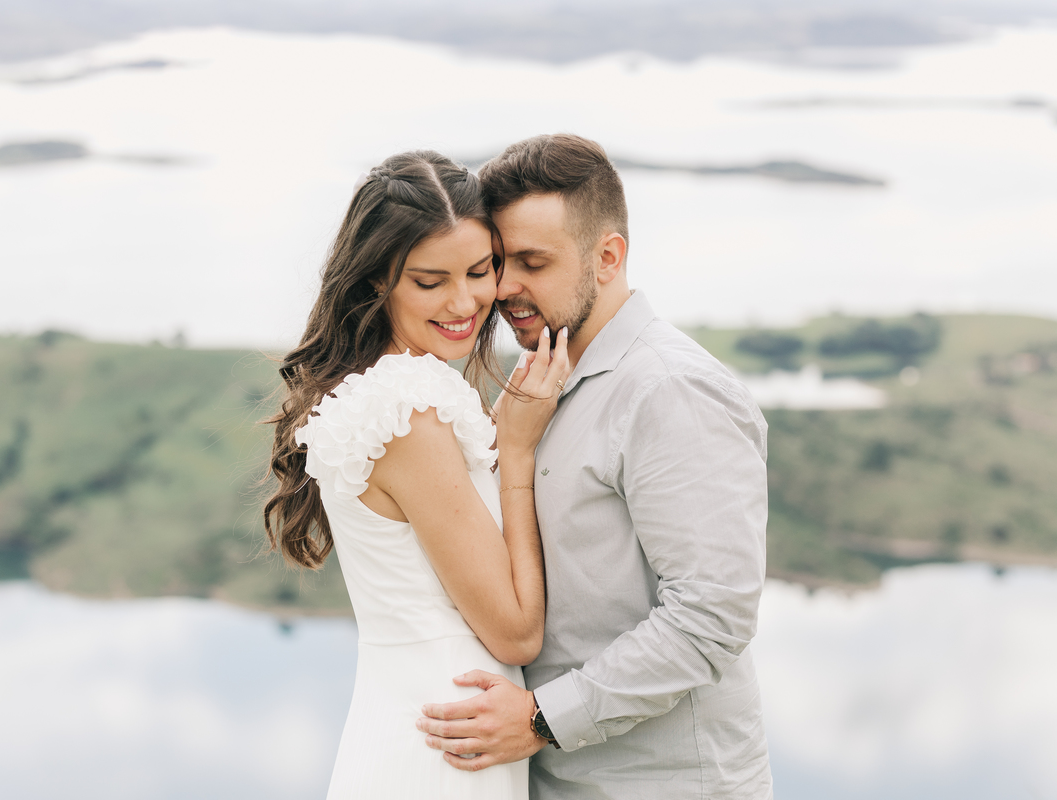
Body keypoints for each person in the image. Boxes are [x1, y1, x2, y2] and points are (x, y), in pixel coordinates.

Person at [416, 134, 774, 799]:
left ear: (608, 257)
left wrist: (542, 719)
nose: (505, 288)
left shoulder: (670, 390)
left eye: (534, 263)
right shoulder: (539, 380)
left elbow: (712, 616)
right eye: (501, 262)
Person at [263, 150, 571, 800]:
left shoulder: (379, 391)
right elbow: (516, 633)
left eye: (480, 271)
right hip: (450, 738)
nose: (464, 301)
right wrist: (517, 453)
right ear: (378, 279)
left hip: (420, 719)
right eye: (431, 282)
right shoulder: (409, 414)